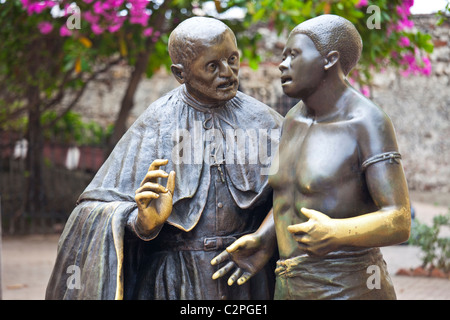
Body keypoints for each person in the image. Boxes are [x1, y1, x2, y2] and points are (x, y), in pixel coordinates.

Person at [45, 17, 282, 300]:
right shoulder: (157, 122)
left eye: (232, 59)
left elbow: (298, 195)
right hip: (175, 283)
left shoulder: (265, 121)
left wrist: (266, 238)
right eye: (212, 66)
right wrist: (141, 221)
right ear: (180, 73)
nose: (228, 72)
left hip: (248, 278)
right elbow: (91, 211)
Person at [268, 14, 411, 299]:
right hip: (290, 287)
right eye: (283, 56)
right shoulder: (292, 119)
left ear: (329, 60)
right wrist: (262, 239)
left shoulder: (368, 122)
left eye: (294, 55)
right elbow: (290, 197)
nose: (282, 65)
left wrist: (337, 232)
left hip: (349, 287)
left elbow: (400, 219)